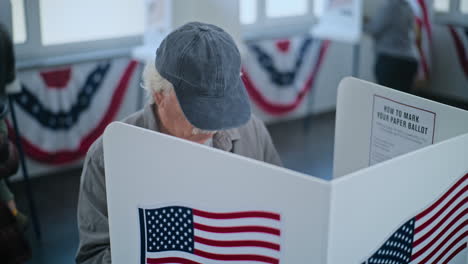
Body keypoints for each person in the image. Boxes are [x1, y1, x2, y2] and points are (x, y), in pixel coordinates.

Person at [76, 22, 282, 264]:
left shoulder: (252, 131)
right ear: (159, 93)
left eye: (224, 105)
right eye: (201, 110)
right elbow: (93, 255)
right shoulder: (108, 157)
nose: (216, 123)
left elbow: (280, 215)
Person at [364, 0, 420, 93]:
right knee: (402, 100)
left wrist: (357, 22)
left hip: (391, 60)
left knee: (386, 98)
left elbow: (373, 29)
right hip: (410, 59)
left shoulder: (389, 6)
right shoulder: (408, 6)